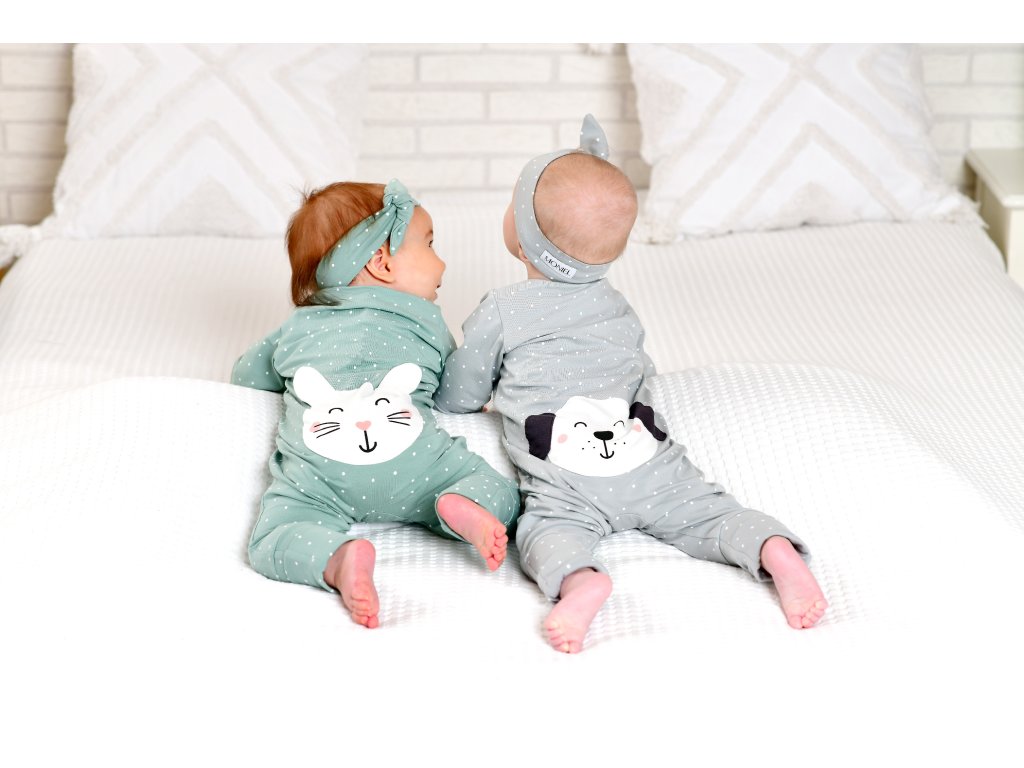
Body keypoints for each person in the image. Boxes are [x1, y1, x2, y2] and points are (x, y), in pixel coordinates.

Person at [434, 116, 827, 653]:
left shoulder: (503, 308)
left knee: (545, 534)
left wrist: (473, 396)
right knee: (712, 514)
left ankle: (581, 582)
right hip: (649, 464)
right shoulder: (617, 306)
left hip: (567, 486)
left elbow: (459, 394)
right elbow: (642, 370)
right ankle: (772, 550)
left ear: (525, 242)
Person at [232, 179, 520, 629]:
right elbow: (454, 394)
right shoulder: (426, 322)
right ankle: (459, 504)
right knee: (503, 494)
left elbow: (245, 378)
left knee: (271, 541)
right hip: (421, 472)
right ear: (382, 264)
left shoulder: (296, 328)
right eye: (430, 243)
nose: (442, 261)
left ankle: (338, 558)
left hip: (320, 482)